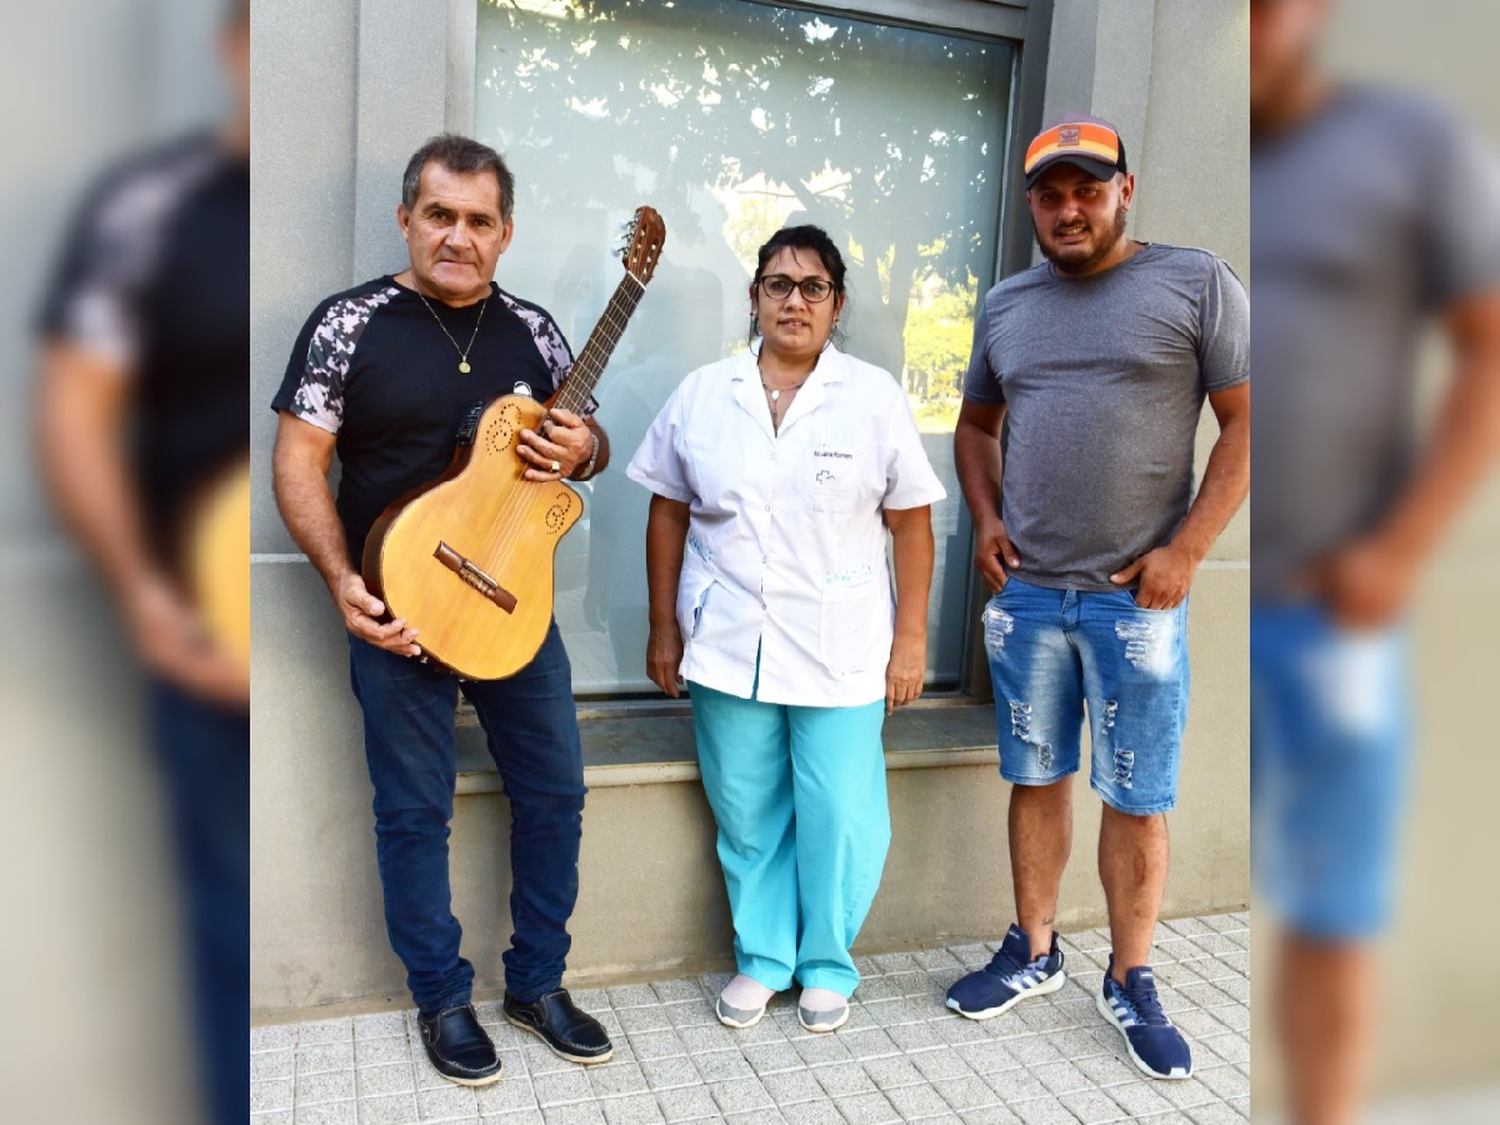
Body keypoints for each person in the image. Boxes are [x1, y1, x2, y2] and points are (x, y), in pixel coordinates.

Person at [271, 133, 614, 1086]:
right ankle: (442, 997)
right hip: (398, 614)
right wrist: (341, 578)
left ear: (505, 233)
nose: (457, 236)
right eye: (439, 215)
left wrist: (583, 447)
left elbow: (584, 447)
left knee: (555, 794)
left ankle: (538, 982)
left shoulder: (537, 332)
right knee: (414, 810)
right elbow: (299, 464)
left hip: (514, 605)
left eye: (478, 220)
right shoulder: (349, 323)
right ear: (406, 218)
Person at [947, 115, 1250, 1082]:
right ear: (1031, 203)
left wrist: (1187, 553)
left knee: (1135, 792)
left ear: (1127, 189)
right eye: (1050, 192)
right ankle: (1035, 950)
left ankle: (1131, 974)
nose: (1068, 208)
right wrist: (987, 522)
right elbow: (973, 426)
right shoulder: (1007, 306)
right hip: (1030, 596)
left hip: (1137, 605)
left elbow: (1248, 423)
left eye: (1087, 188)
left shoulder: (1195, 282)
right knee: (1035, 777)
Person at [1250, 1, 1500, 1120]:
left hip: (1328, 619)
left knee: (1333, 917)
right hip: (1189, 615)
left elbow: (1489, 347)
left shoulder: (1411, 143)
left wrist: (1400, 550)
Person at [627, 225, 945, 1034]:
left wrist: (913, 638)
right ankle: (763, 956)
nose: (793, 299)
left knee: (840, 808)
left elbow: (911, 524)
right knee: (745, 806)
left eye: (812, 286)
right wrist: (663, 624)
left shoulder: (870, 395)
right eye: (777, 283)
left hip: (841, 643)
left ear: (836, 304)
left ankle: (828, 961)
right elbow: (667, 510)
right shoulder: (705, 391)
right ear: (755, 297)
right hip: (728, 639)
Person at [33, 4, 250, 1123]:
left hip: (321, 627)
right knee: (216, 918)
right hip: (185, 632)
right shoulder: (150, 207)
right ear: (234, 51)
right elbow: (73, 412)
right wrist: (144, 597)